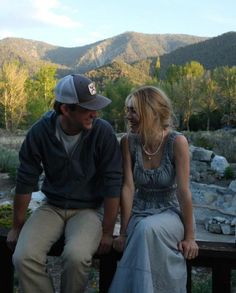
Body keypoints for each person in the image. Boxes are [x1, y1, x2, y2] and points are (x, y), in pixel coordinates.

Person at [6, 74, 123, 293]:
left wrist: (107, 231)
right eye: (88, 109)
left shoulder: (103, 132)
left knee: (76, 257)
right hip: (52, 206)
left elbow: (113, 183)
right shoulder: (40, 132)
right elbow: (25, 180)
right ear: (66, 110)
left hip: (89, 210)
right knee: (23, 257)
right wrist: (17, 226)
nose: (95, 114)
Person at [109, 85, 198, 293]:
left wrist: (190, 237)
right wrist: (122, 233)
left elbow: (183, 191)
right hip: (139, 212)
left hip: (170, 212)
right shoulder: (128, 142)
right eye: (127, 110)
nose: (128, 116)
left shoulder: (177, 142)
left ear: (150, 112)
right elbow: (128, 188)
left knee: (146, 230)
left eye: (133, 110)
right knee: (142, 230)